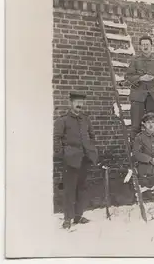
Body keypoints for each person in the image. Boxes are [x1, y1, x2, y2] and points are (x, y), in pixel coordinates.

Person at [53, 92, 99, 229]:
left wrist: (90, 150)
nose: (79, 105)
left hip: (84, 159)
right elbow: (56, 139)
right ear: (70, 103)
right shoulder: (63, 120)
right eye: (76, 102)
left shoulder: (86, 119)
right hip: (70, 160)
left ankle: (78, 216)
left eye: (81, 102)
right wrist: (64, 154)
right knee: (69, 189)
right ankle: (68, 218)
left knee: (82, 188)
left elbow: (91, 136)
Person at [125, 35, 154, 142]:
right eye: (143, 45)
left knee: (153, 125)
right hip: (138, 97)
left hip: (152, 98)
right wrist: (140, 78)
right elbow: (128, 77)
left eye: (147, 45)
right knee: (135, 125)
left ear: (151, 46)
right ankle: (135, 151)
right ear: (140, 47)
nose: (145, 47)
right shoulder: (135, 61)